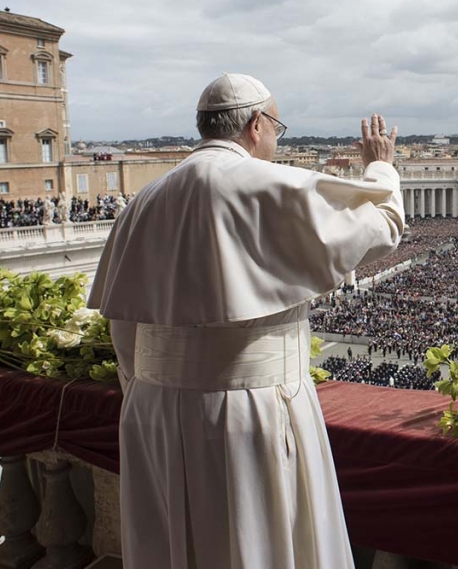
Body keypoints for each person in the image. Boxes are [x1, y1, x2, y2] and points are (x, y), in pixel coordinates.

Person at [88, 73, 404, 569]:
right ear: (256, 124)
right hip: (249, 410)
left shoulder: (143, 201)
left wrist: (149, 389)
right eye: (277, 127)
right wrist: (381, 169)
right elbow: (381, 228)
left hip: (151, 411)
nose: (277, 141)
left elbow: (124, 324)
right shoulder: (269, 183)